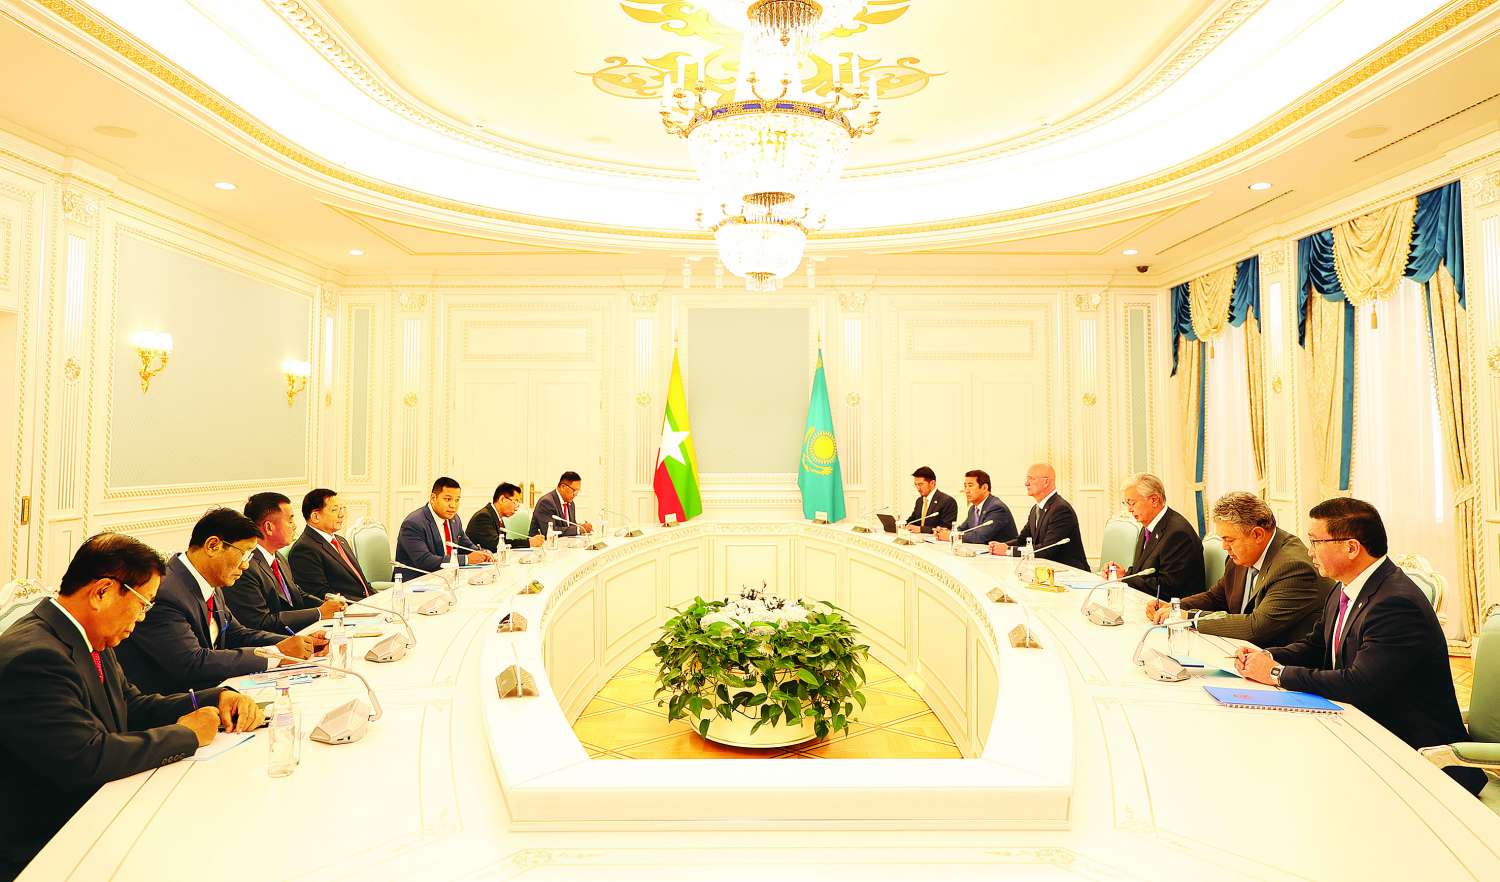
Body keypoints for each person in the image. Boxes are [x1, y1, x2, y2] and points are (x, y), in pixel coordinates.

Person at [0, 534, 264, 878]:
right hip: (47, 845)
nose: (142, 617)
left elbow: (132, 705)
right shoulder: (36, 657)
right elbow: (87, 757)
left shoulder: (86, 634)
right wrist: (186, 735)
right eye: (143, 604)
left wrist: (214, 697)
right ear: (102, 592)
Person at [1236, 497, 1486, 796]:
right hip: (1364, 732)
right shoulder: (1345, 588)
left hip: (1415, 758)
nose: (1309, 551)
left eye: (1316, 541)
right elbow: (1317, 646)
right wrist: (1266, 656)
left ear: (1352, 547)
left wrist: (1276, 673)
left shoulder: (1395, 603)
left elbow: (1359, 684)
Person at [115, 509, 322, 695]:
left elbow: (237, 634)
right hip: (176, 704)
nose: (246, 565)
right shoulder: (166, 592)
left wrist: (298, 643)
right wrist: (276, 654)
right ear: (213, 545)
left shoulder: (208, 580)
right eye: (244, 554)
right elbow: (192, 662)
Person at [1147, 491, 1330, 646]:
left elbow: (1255, 627)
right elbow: (1216, 597)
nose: (1224, 547)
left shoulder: (1293, 568)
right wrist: (1175, 607)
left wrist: (1189, 618)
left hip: (1281, 661)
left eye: (1229, 540)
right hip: (1242, 651)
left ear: (1257, 534)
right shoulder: (1243, 555)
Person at [225, 492, 345, 633]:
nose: (294, 526)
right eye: (290, 521)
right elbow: (260, 622)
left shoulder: (277, 557)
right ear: (269, 527)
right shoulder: (245, 567)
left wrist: (329, 605)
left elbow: (297, 594)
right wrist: (319, 613)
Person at [1107, 473, 1203, 601]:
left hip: (1173, 608)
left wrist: (1125, 580)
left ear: (1154, 500)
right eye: (1126, 503)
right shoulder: (1148, 526)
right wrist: (1123, 574)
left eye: (1132, 503)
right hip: (1148, 602)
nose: (1129, 509)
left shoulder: (1178, 534)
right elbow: (1144, 571)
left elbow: (1167, 588)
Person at [989, 463, 1089, 571]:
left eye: (1031, 479)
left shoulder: (1061, 510)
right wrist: (1002, 545)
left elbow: (1047, 549)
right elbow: (1023, 540)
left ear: (1046, 482)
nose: (1026, 483)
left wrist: (1008, 551)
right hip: (1047, 570)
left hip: (1070, 573)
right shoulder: (1035, 509)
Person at [287, 488, 375, 600]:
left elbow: (362, 584)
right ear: (315, 517)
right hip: (350, 608)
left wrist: (377, 598)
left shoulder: (340, 540)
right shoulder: (304, 549)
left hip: (369, 603)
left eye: (342, 509)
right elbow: (321, 595)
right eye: (334, 510)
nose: (341, 515)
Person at [396, 477, 493, 574]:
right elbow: (424, 561)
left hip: (447, 576)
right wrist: (466, 559)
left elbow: (466, 546)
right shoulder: (413, 523)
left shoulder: (455, 519)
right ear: (433, 498)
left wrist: (483, 553)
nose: (453, 505)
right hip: (418, 580)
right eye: (448, 499)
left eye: (457, 500)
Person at [933, 470, 1016, 547]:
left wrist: (951, 536)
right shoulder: (973, 508)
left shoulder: (996, 508)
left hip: (1003, 556)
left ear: (984, 488)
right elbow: (962, 529)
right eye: (965, 486)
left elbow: (980, 536)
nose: (966, 490)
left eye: (970, 486)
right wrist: (946, 532)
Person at [467, 482, 544, 551]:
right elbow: (496, 546)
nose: (517, 507)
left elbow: (503, 542)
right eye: (515, 501)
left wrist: (529, 542)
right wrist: (529, 543)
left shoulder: (496, 516)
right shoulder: (483, 517)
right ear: (502, 499)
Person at [529, 471, 593, 539]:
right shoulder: (546, 502)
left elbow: (570, 527)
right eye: (574, 490)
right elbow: (550, 531)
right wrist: (578, 529)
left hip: (564, 543)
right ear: (563, 487)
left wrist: (580, 526)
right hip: (542, 544)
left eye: (578, 491)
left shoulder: (571, 503)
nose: (575, 494)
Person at [903, 466, 957, 534]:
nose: (918, 488)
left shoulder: (948, 501)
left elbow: (945, 528)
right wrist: (902, 525)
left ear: (932, 483)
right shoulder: (919, 501)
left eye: (920, 484)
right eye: (916, 485)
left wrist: (921, 529)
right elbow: (912, 521)